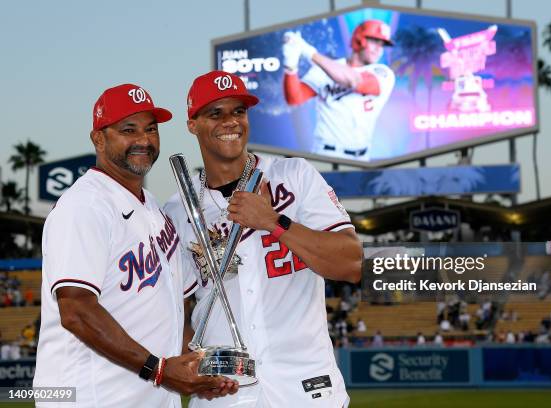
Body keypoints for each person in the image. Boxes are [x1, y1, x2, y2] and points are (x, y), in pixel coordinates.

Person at [164, 70, 362, 407]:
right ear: (192, 124)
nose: (231, 122)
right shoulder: (177, 210)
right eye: (216, 113)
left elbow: (352, 263)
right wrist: (190, 362)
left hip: (307, 388)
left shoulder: (294, 176)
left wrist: (273, 221)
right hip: (226, 393)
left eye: (239, 111)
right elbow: (174, 310)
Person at [34, 83, 238, 407]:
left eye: (151, 129)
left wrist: (195, 369)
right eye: (128, 129)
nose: (143, 140)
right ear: (98, 138)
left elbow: (172, 312)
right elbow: (76, 310)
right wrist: (158, 371)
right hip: (92, 398)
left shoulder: (154, 209)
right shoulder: (85, 206)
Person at [282, 20, 395, 161]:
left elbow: (354, 81)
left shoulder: (382, 73)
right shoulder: (326, 69)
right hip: (325, 154)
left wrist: (308, 51)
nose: (379, 48)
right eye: (375, 41)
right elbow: (294, 98)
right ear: (359, 40)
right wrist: (290, 64)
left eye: (382, 44)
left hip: (361, 158)